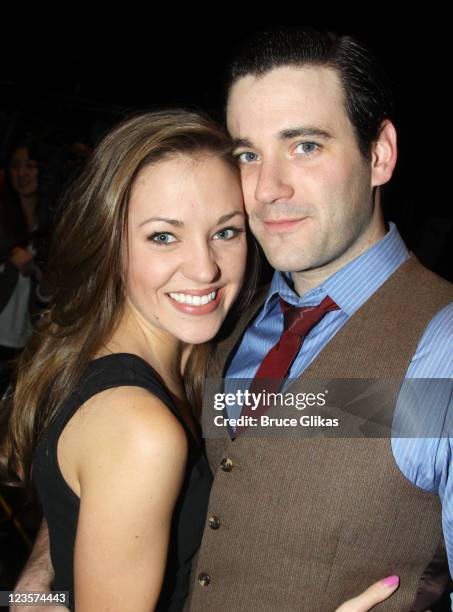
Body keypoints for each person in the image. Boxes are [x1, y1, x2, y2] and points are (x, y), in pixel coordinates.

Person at [2, 109, 399, 612]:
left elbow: (90, 492)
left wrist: (40, 576)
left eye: (226, 232)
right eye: (163, 236)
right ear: (109, 241)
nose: (204, 268)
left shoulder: (180, 354)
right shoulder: (140, 426)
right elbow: (126, 452)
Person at [186, 28, 453, 611]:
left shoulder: (445, 347)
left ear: (379, 154)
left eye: (304, 146)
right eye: (247, 155)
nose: (266, 188)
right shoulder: (222, 322)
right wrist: (44, 574)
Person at [0, 136, 51, 395]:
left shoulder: (54, 224)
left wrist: (36, 273)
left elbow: (56, 294)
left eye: (30, 165)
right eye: (15, 166)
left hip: (28, 343)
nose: (21, 173)